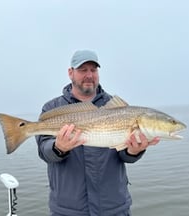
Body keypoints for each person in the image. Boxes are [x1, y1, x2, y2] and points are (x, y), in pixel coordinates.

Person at [36, 50, 160, 216]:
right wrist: (58, 147)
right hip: (67, 210)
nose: (89, 75)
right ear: (70, 73)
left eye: (93, 70)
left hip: (113, 208)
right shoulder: (52, 108)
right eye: (83, 70)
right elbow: (44, 151)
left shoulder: (118, 108)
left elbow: (124, 156)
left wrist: (134, 151)